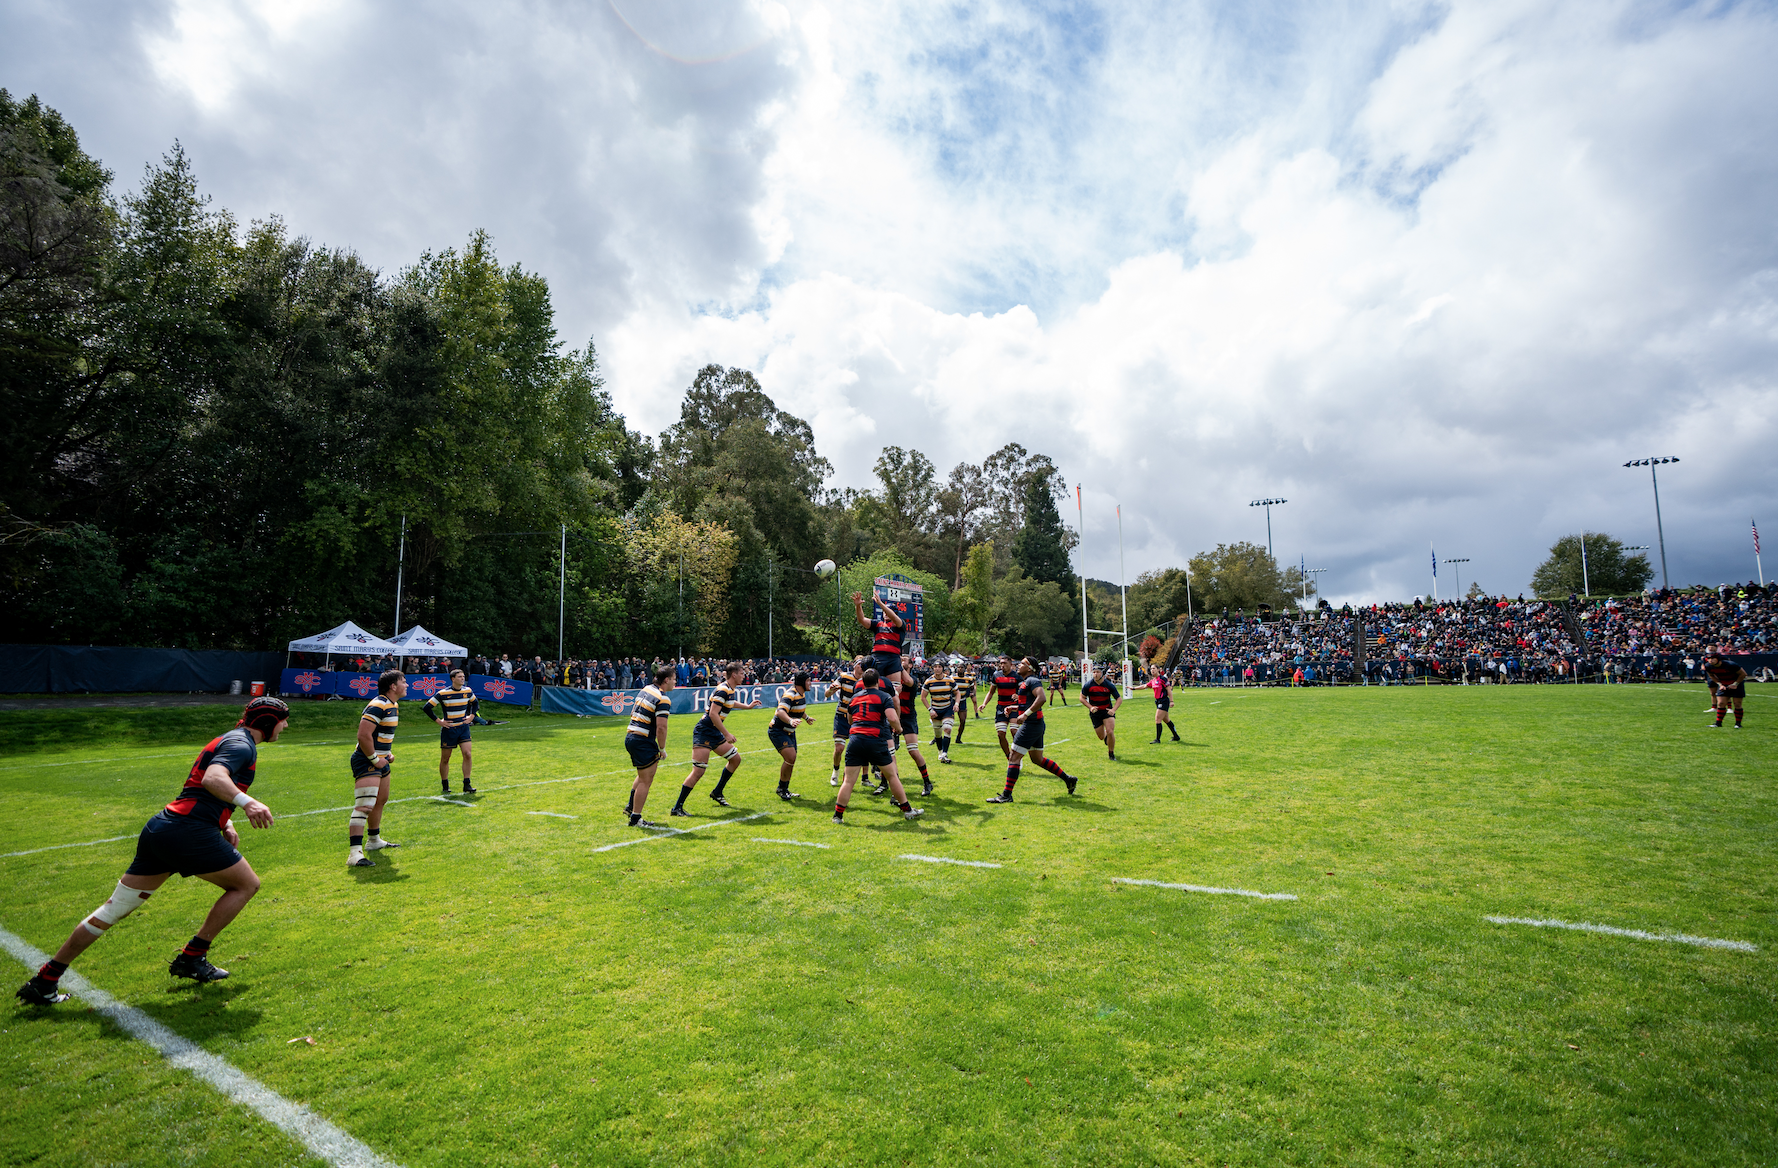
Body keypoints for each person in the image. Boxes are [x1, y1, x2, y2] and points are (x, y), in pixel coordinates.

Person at [16, 698, 288, 1003]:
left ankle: (45, 979)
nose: (286, 726)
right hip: (188, 832)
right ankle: (191, 957)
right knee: (246, 884)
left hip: (163, 828)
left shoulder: (230, 738)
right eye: (283, 720)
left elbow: (198, 786)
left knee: (113, 910)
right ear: (267, 722)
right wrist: (247, 803)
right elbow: (213, 778)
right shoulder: (243, 745)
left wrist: (223, 822)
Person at [832, 669, 924, 824]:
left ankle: (837, 816)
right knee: (892, 775)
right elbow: (892, 717)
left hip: (855, 740)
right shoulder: (884, 696)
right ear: (878, 682)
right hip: (875, 739)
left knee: (848, 781)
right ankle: (908, 810)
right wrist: (899, 728)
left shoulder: (854, 698)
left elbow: (849, 719)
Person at [671, 662, 760, 815]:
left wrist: (747, 706)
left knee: (735, 759)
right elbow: (713, 714)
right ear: (734, 674)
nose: (744, 676)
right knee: (698, 771)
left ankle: (717, 792)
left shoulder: (729, 689)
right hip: (705, 731)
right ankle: (677, 807)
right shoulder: (723, 690)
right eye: (741, 673)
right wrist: (726, 734)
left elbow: (730, 703)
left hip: (713, 732)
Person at [987, 657, 1078, 803]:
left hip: (1031, 725)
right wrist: (1015, 708)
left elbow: (1041, 699)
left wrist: (1025, 714)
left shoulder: (1032, 681)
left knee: (1013, 757)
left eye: (1022, 663)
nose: (1018, 665)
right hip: (1036, 724)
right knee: (1037, 759)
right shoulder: (1025, 682)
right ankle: (1068, 779)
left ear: (1029, 668)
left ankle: (1006, 795)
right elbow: (1029, 703)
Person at [348, 671, 405, 867]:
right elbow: (363, 735)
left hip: (380, 759)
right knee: (365, 805)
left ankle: (374, 840)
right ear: (393, 686)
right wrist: (374, 758)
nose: (406, 685)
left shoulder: (393, 705)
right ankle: (354, 854)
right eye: (403, 682)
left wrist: (387, 753)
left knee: (381, 800)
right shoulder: (378, 704)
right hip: (366, 760)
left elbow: (379, 735)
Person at [624, 665, 678, 828]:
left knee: (642, 776)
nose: (675, 682)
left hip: (631, 736)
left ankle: (630, 807)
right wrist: (661, 749)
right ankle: (635, 818)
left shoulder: (647, 688)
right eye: (674, 679)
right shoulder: (663, 698)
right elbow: (662, 727)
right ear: (666, 680)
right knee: (646, 780)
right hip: (643, 740)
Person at [424, 669, 479, 795]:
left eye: (463, 676)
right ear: (453, 679)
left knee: (467, 754)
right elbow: (427, 707)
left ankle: (467, 784)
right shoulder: (443, 693)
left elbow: (475, 703)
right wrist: (439, 721)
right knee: (445, 759)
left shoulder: (467, 691)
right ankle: (445, 785)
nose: (462, 678)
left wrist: (471, 716)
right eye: (459, 677)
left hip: (463, 728)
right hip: (449, 729)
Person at [768, 671, 816, 801]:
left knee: (791, 760)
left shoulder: (801, 694)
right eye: (808, 680)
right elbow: (780, 711)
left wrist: (806, 718)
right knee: (791, 757)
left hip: (789, 731)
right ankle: (781, 788)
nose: (810, 683)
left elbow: (799, 709)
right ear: (802, 682)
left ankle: (784, 789)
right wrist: (790, 721)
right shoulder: (790, 694)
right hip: (778, 730)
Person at [854, 590, 912, 694]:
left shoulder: (900, 625)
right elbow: (861, 620)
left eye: (887, 611)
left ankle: (893, 709)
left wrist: (880, 604)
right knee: (873, 688)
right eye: (884, 611)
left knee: (895, 692)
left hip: (893, 658)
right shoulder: (878, 624)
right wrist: (858, 606)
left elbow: (894, 617)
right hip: (878, 657)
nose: (885, 613)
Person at [892, 675, 936, 797]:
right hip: (893, 717)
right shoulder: (891, 678)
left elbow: (907, 681)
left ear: (910, 664)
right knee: (889, 753)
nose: (901, 660)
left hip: (908, 718)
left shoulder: (912, 679)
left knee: (913, 751)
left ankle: (927, 782)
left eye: (904, 659)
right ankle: (888, 785)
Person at [979, 655, 1021, 759]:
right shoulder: (996, 676)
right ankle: (1009, 757)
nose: (1002, 665)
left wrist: (1018, 696)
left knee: (1014, 732)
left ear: (1010, 664)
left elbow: (1024, 692)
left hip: (1014, 708)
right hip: (1001, 708)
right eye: (1001, 663)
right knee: (1000, 734)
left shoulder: (1017, 676)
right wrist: (984, 704)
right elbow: (991, 692)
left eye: (1004, 663)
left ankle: (1017, 757)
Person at [829, 655, 862, 786]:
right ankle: (835, 772)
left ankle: (849, 777)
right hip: (841, 716)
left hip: (857, 719)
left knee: (854, 750)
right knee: (839, 749)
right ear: (854, 665)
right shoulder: (844, 676)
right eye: (859, 664)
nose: (861, 667)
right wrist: (831, 689)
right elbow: (831, 689)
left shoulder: (866, 681)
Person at [1081, 664, 1122, 760]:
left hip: (1107, 712)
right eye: (1094, 672)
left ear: (1102, 673)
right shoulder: (1088, 685)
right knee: (1100, 736)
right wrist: (1090, 707)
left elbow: (1119, 699)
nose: (1095, 674)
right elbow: (1082, 698)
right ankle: (1106, 735)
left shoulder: (1109, 685)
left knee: (1110, 731)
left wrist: (1113, 710)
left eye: (1097, 672)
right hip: (1095, 713)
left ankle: (1111, 753)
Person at [922, 661, 958, 765]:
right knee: (937, 734)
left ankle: (944, 753)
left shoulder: (949, 680)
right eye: (935, 667)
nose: (937, 668)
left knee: (947, 728)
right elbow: (923, 697)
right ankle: (940, 752)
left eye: (939, 667)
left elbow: (957, 692)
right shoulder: (929, 681)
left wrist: (957, 704)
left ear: (943, 668)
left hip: (947, 709)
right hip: (935, 711)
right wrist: (930, 710)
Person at [1704, 649, 1748, 729]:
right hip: (1724, 684)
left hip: (1736, 684)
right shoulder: (1708, 666)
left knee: (1737, 704)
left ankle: (1738, 724)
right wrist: (1720, 684)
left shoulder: (1731, 664)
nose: (1710, 660)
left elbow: (1743, 674)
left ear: (1718, 659)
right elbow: (1711, 676)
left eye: (1713, 658)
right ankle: (1718, 723)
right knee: (1720, 703)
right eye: (1709, 659)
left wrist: (1735, 684)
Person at [1149, 667, 1180, 743]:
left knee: (1158, 719)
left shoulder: (1163, 679)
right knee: (1166, 720)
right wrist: (1133, 688)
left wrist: (1172, 701)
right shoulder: (1153, 680)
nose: (1152, 670)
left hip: (1164, 701)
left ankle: (1157, 739)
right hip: (1158, 701)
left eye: (1154, 668)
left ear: (1158, 670)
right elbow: (1144, 686)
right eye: (1151, 668)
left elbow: (1169, 690)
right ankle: (1176, 736)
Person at [952, 663, 976, 745]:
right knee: (946, 720)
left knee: (962, 720)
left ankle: (958, 738)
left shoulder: (968, 679)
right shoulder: (952, 678)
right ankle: (937, 737)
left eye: (962, 667)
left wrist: (971, 693)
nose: (960, 669)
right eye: (958, 667)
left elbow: (972, 688)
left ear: (964, 669)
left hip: (962, 701)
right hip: (952, 701)